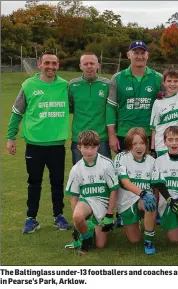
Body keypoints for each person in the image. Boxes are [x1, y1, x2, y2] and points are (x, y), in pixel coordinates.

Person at [6, 51, 71, 234]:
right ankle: (31, 218)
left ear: (58, 65)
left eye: (54, 63)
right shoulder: (28, 85)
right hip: (34, 144)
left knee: (57, 182)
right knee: (34, 182)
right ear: (39, 64)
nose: (51, 66)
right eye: (47, 63)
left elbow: (76, 108)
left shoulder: (65, 86)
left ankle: (58, 216)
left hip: (57, 145)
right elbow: (17, 113)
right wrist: (10, 137)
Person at [66, 130, 119, 254]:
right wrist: (76, 224)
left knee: (100, 245)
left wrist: (110, 215)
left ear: (98, 147)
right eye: (86, 147)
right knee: (78, 216)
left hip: (102, 203)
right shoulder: (76, 169)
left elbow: (114, 190)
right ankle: (86, 238)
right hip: (87, 201)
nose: (89, 151)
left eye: (93, 147)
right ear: (79, 147)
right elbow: (73, 196)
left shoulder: (107, 164)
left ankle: (91, 225)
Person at [107, 41, 163, 153]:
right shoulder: (117, 78)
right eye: (136, 53)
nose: (140, 56)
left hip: (150, 134)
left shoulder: (158, 78)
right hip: (124, 133)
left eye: (143, 53)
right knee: (125, 170)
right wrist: (112, 136)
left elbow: (172, 98)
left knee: (150, 169)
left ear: (147, 55)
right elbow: (111, 108)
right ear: (129, 55)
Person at [115, 128, 157, 255]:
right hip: (126, 201)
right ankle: (133, 220)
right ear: (129, 146)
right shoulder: (121, 158)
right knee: (134, 240)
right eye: (134, 144)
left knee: (150, 204)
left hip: (143, 199)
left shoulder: (152, 161)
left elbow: (156, 187)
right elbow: (125, 183)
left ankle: (149, 240)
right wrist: (143, 193)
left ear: (146, 144)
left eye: (142, 143)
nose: (139, 147)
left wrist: (152, 199)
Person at [68, 52, 112, 165]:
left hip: (101, 138)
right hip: (79, 139)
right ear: (80, 66)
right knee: (80, 174)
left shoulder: (107, 84)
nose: (89, 66)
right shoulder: (72, 85)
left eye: (92, 63)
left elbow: (111, 110)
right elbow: (69, 108)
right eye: (85, 63)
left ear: (98, 65)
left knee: (104, 173)